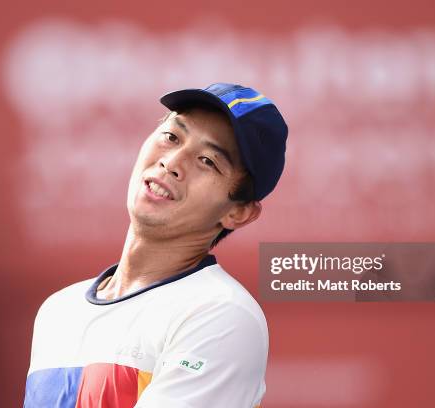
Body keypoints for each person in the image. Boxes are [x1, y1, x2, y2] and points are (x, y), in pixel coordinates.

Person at [23, 83, 288, 408]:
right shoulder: (58, 312)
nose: (172, 162)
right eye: (172, 137)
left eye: (207, 161)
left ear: (239, 212)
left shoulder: (222, 315)